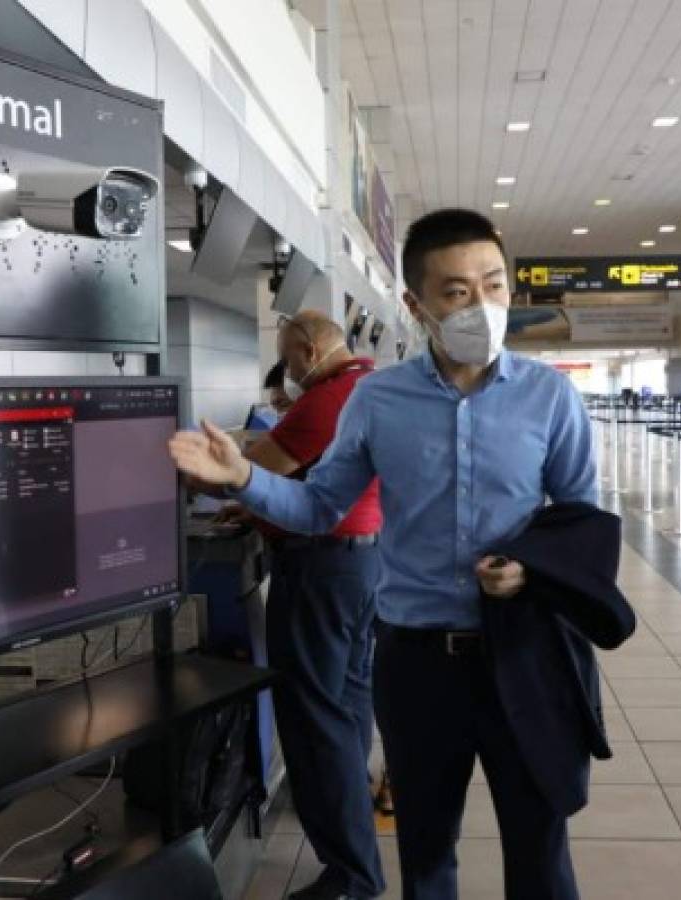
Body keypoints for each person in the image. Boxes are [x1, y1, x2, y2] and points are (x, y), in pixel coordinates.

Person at [170, 208, 598, 899]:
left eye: (493, 285)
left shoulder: (550, 398)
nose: (481, 305)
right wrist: (246, 479)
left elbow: (584, 523)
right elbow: (318, 506)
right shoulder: (377, 399)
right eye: (457, 291)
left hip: (524, 651)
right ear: (415, 304)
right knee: (426, 853)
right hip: (418, 659)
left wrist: (533, 568)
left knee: (540, 849)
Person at [229, 312, 385, 900]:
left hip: (322, 570)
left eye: (290, 357)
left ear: (311, 347)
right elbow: (311, 484)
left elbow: (253, 472)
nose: (289, 370)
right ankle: (355, 846)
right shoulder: (365, 387)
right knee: (345, 708)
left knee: (315, 719)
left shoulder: (325, 399)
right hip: (362, 563)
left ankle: (350, 875)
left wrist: (212, 471)